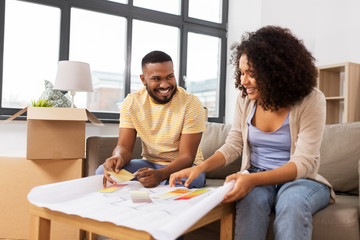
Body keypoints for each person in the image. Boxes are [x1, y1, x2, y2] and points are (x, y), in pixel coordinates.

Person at [169, 26, 334, 240]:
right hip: (255, 172)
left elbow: (304, 163)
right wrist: (199, 168)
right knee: (249, 199)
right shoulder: (245, 99)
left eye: (252, 74)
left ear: (276, 72)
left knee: (291, 202)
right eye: (242, 73)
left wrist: (253, 180)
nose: (244, 81)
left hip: (301, 180)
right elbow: (234, 144)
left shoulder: (311, 99)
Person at [96, 50, 206, 189]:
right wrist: (117, 157)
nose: (165, 85)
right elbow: (124, 147)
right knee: (102, 172)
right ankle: (155, 184)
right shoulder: (132, 102)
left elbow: (186, 157)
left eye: (170, 77)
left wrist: (160, 174)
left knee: (193, 179)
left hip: (185, 166)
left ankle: (152, 183)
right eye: (157, 79)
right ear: (143, 79)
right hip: (149, 163)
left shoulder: (191, 103)